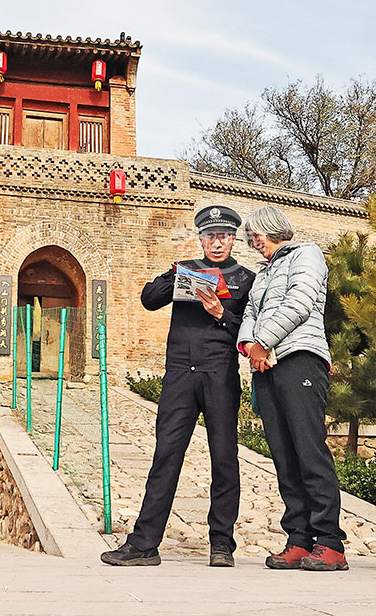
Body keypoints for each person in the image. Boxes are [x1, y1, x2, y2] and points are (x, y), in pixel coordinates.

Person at [100, 205, 256, 568]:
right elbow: (148, 299)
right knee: (166, 456)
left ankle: (221, 544)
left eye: (224, 236)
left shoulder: (245, 279)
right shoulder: (182, 268)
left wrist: (220, 312)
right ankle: (144, 544)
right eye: (210, 236)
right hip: (178, 376)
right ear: (200, 238)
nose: (217, 243)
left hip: (220, 375)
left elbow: (247, 333)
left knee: (224, 459)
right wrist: (179, 281)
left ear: (233, 239)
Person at [237, 205, 348, 572]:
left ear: (276, 229)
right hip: (266, 363)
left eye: (259, 236)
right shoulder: (263, 273)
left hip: (301, 356)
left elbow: (300, 303)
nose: (256, 243)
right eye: (251, 239)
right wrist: (251, 347)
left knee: (308, 449)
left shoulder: (308, 255)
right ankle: (299, 539)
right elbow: (251, 314)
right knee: (284, 455)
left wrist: (264, 342)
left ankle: (330, 542)